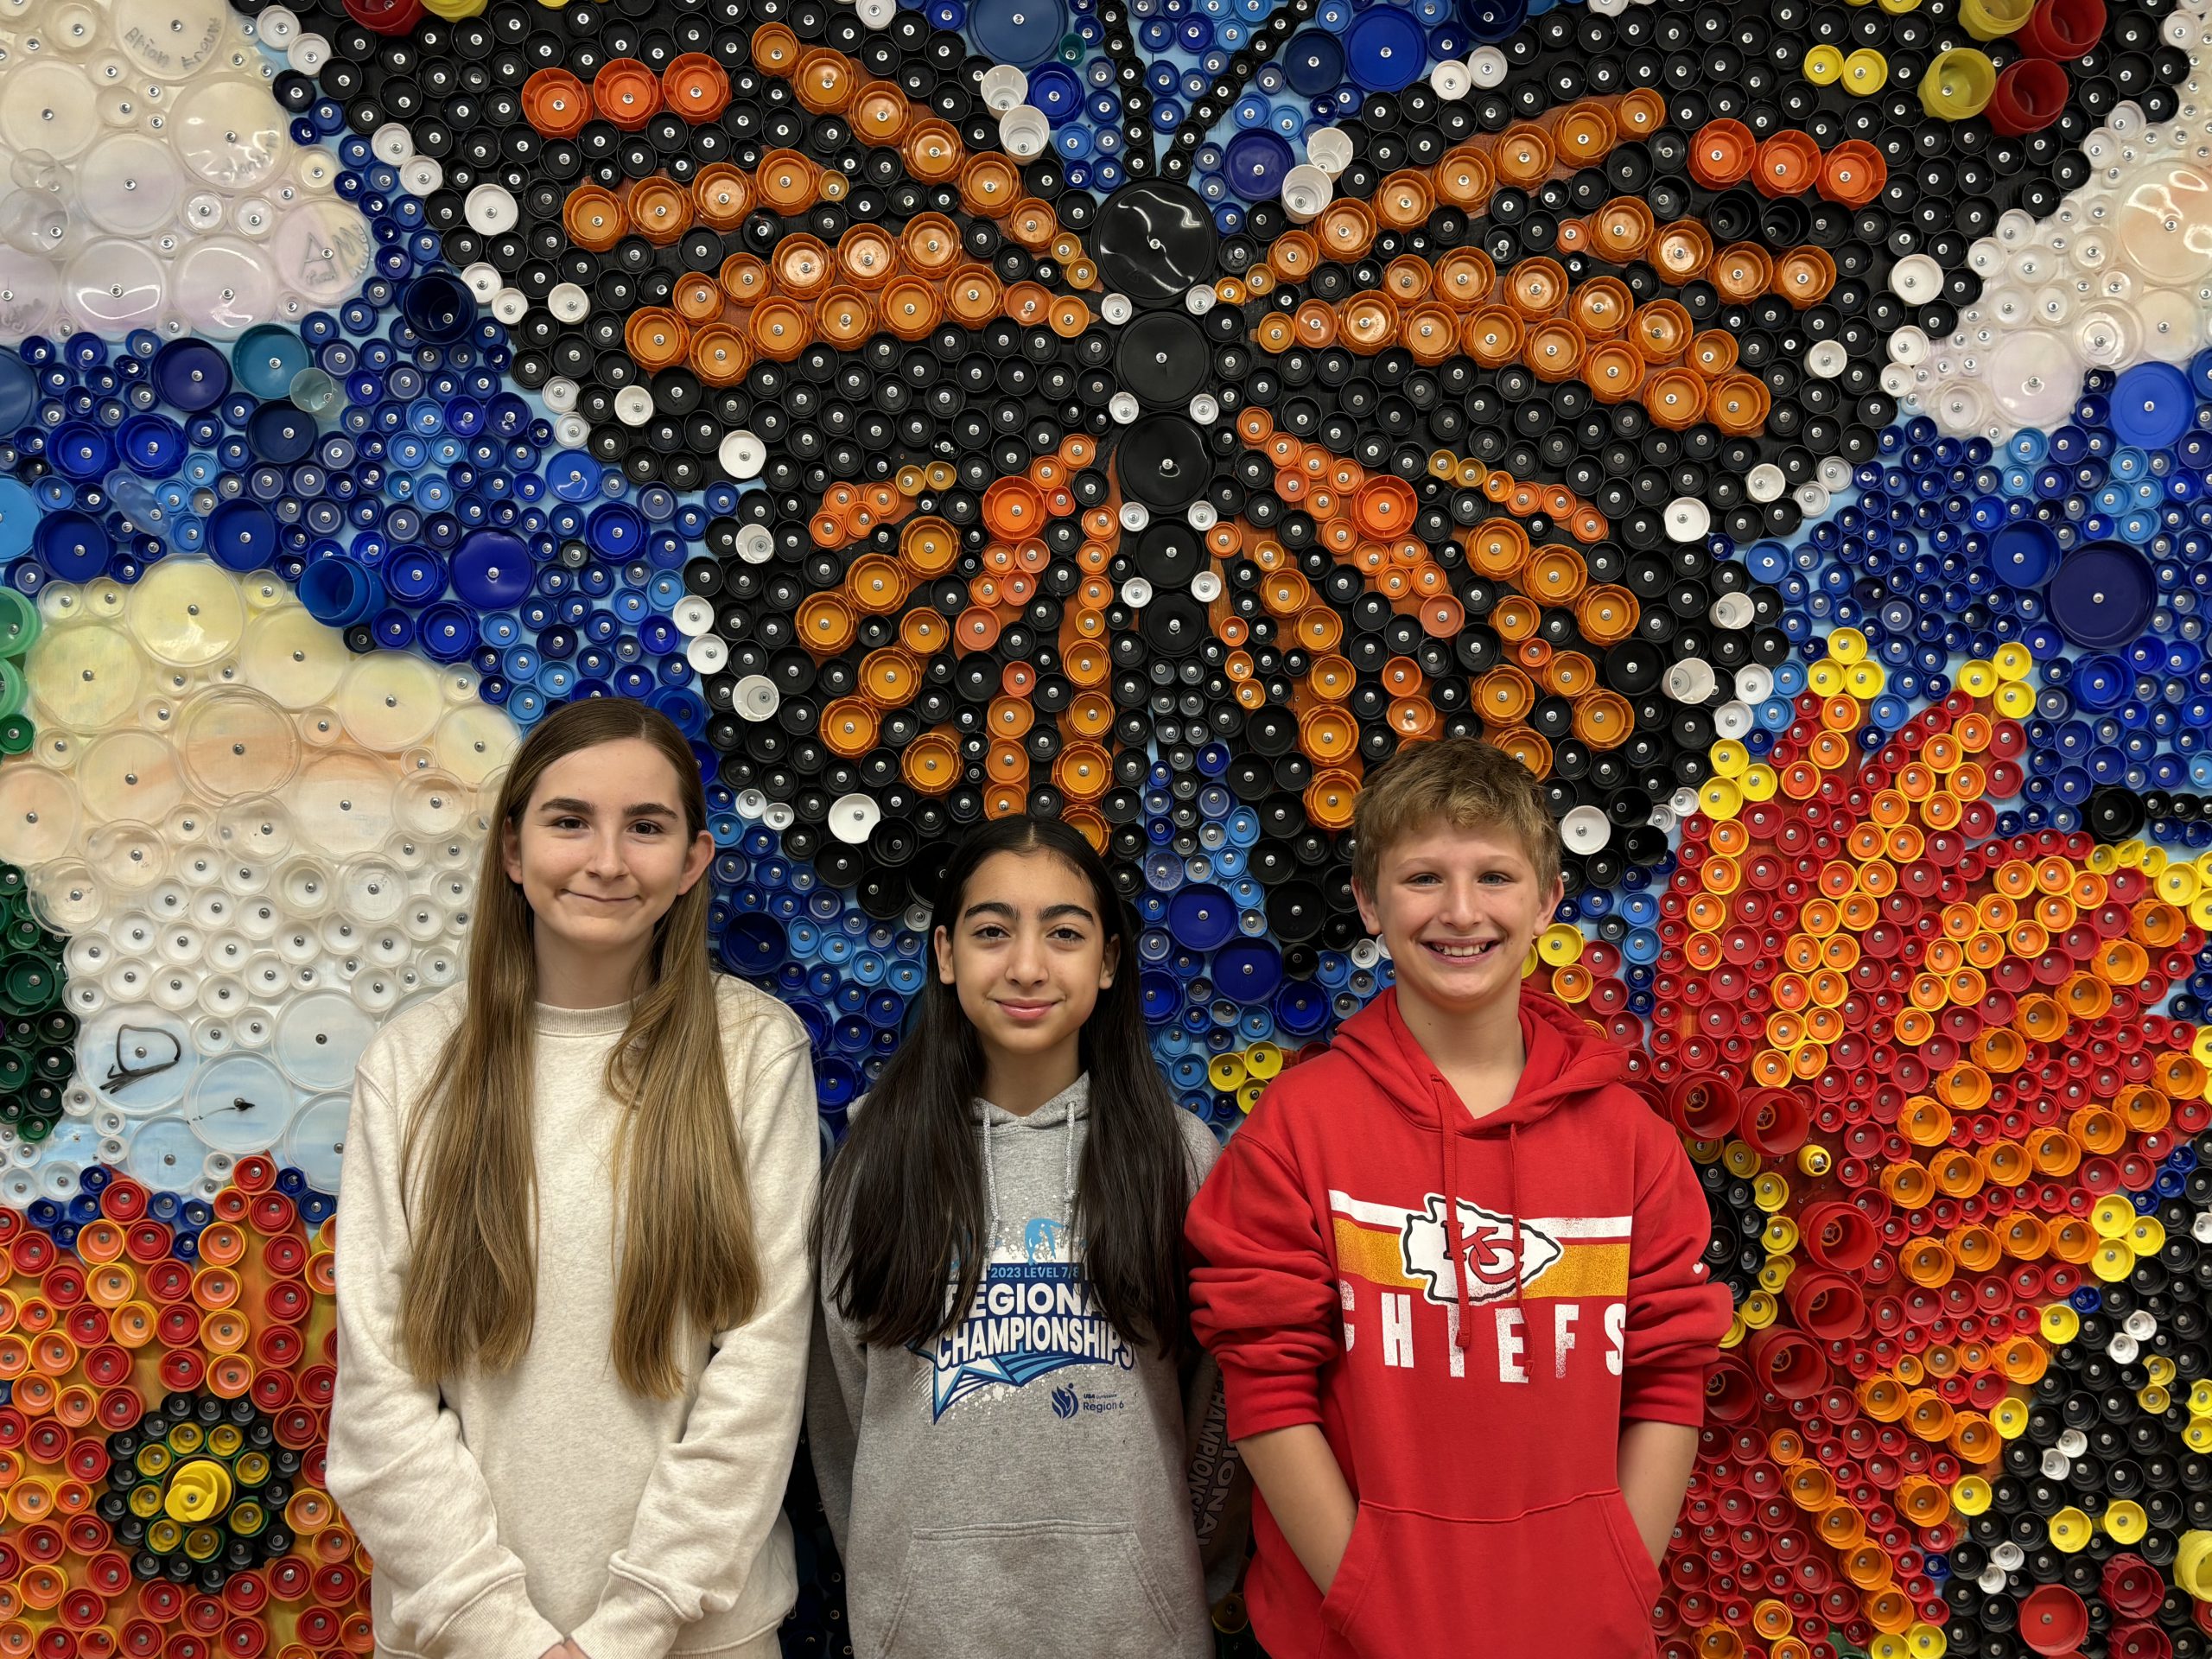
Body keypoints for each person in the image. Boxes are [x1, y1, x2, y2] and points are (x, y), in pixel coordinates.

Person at [1184, 736, 1732, 1656]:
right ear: (1367, 902)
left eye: (1495, 877)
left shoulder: (1630, 1140)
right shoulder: (1298, 1126)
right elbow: (1266, 1383)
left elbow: (1668, 1374)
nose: (1462, 912)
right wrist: (1369, 1601)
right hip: (1347, 1635)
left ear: (1548, 900)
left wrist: (1617, 1577)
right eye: (1423, 878)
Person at [327, 698, 819, 1659]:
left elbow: (758, 1375)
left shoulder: (753, 1051)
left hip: (698, 1634)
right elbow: (380, 1395)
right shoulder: (413, 1062)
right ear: (512, 850)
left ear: (692, 862)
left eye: (645, 827)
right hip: (457, 1635)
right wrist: (505, 1634)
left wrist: (626, 1632)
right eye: (568, 821)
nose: (606, 859)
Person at [808, 816, 1245, 1659]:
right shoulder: (873, 1161)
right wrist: (898, 1569)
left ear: (1109, 961)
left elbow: (1217, 1405)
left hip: (1136, 1627)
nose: (1026, 966)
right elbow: (842, 1409)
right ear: (945, 955)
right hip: (925, 1626)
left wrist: (1166, 1563)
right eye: (992, 931)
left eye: (1065, 933)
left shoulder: (1178, 1156)